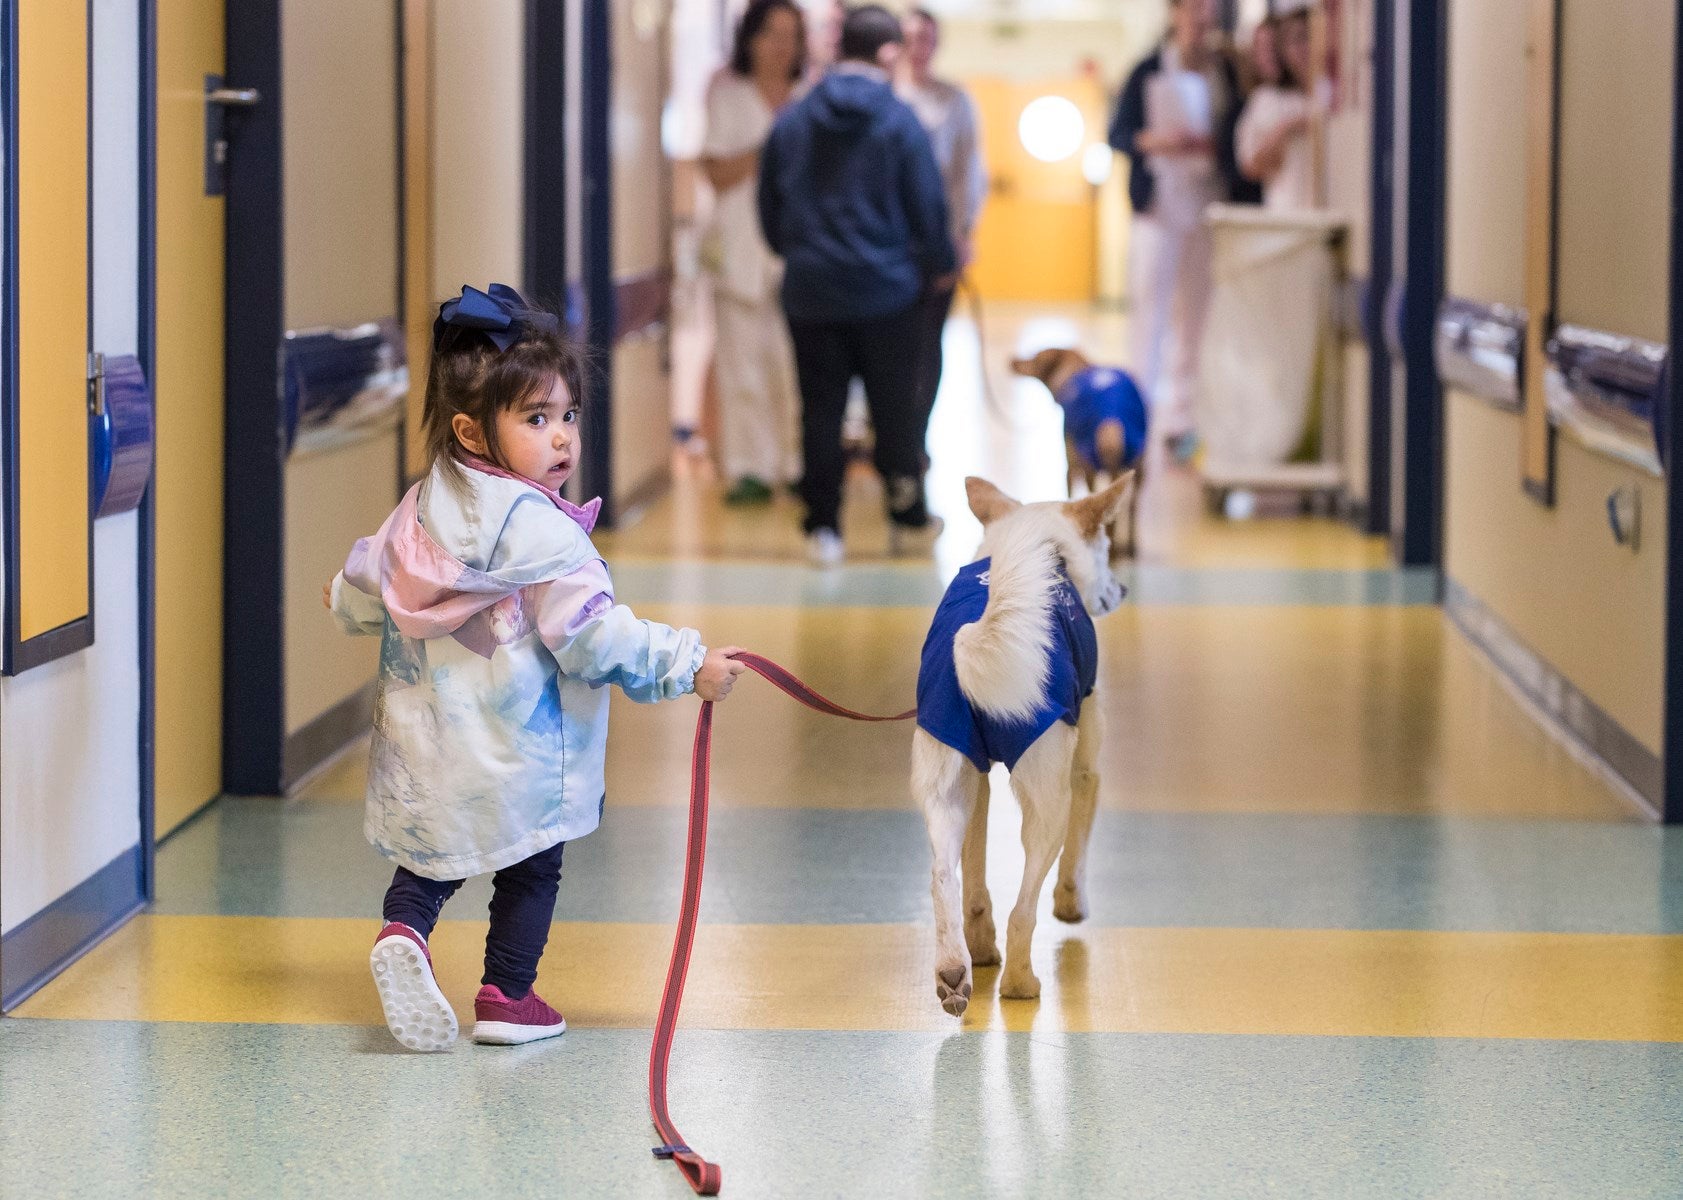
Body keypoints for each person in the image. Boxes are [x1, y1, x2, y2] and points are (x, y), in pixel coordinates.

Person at [326, 283, 746, 1052]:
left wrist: (343, 602)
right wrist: (688, 664)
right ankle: (506, 996)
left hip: (430, 747)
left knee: (430, 860)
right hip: (521, 754)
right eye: (536, 419)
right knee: (532, 868)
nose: (562, 439)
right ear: (471, 430)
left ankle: (405, 932)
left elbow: (363, 592)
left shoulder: (419, 509)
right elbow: (592, 636)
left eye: (567, 416)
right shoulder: (545, 536)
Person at [758, 4, 955, 566]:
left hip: (811, 289)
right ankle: (908, 517)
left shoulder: (794, 118)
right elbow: (928, 205)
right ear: (889, 53)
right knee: (896, 407)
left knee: (819, 410)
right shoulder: (899, 120)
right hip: (887, 293)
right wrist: (937, 262)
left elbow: (769, 204)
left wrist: (796, 252)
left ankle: (824, 527)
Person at [1108, 0, 1249, 462]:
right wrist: (1161, 141)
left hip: (1207, 203)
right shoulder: (1148, 69)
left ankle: (1181, 420)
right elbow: (1120, 133)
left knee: (1198, 315)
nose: (1199, 22)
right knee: (1151, 309)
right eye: (1192, 12)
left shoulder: (1226, 71)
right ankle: (1137, 414)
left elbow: (1234, 135)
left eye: (1207, 14)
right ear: (1176, 15)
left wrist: (1212, 145)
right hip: (1159, 206)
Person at [701, 0, 807, 506]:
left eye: (791, 35)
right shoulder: (728, 93)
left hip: (801, 252)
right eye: (771, 34)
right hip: (738, 250)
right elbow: (716, 170)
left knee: (795, 365)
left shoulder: (813, 95)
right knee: (740, 367)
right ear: (751, 39)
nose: (781, 46)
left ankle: (798, 466)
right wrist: (768, 150)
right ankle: (750, 471)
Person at [899, 6, 987, 466]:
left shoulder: (954, 101)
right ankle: (889, 438)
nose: (919, 48)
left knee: (927, 344)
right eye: (910, 38)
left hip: (936, 245)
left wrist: (961, 235)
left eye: (926, 39)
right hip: (888, 245)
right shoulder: (883, 97)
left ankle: (916, 436)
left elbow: (968, 174)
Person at [1236, 9, 1319, 211]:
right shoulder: (1267, 100)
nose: (1303, 49)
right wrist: (1285, 130)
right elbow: (1251, 166)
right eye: (1294, 41)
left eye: (1308, 37)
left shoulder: (1331, 94)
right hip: (1287, 212)